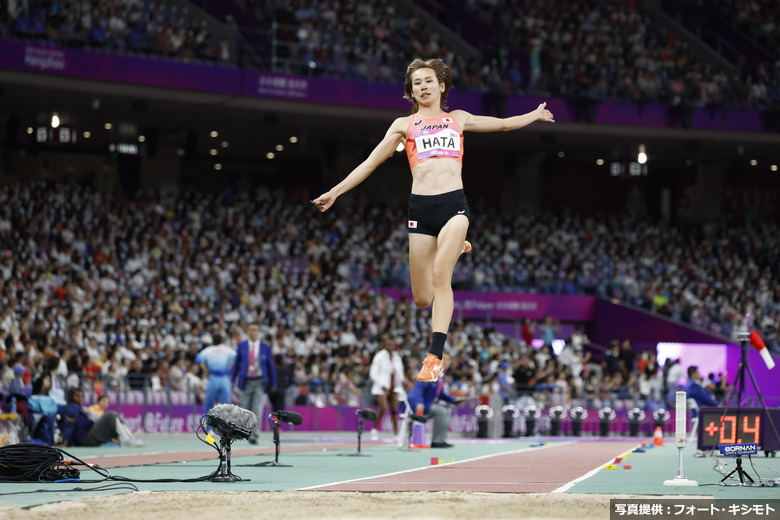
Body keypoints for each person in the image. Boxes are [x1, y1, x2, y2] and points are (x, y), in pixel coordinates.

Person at [312, 57, 555, 383]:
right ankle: (454, 246)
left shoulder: (458, 119)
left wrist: (534, 115)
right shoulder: (404, 125)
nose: (423, 87)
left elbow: (504, 123)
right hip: (421, 211)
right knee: (423, 297)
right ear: (411, 92)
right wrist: (336, 191)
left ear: (441, 85)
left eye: (428, 81)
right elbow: (370, 164)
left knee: (443, 275)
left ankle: (434, 356)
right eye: (417, 83)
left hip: (454, 205)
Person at [229, 323, 277, 444]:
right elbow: (236, 364)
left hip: (260, 381)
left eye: (255, 330)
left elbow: (271, 366)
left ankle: (255, 435)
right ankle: (245, 433)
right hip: (245, 381)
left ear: (259, 331)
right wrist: (232, 379)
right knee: (245, 409)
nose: (253, 332)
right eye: (250, 330)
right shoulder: (242, 346)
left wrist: (273, 382)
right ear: (248, 332)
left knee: (257, 408)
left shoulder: (265, 347)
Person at [406, 352, 460, 448]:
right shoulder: (430, 372)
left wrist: (454, 400)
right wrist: (419, 402)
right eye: (444, 359)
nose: (446, 362)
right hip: (417, 404)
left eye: (448, 360)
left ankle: (441, 439)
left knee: (447, 410)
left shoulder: (441, 376)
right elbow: (418, 388)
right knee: (441, 411)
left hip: (428, 404)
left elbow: (441, 394)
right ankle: (436, 441)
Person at [58, 388, 142, 447]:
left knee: (114, 416)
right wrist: (65, 442)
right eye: (77, 396)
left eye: (82, 396)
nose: (81, 399)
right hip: (85, 438)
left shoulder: (81, 408)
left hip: (90, 433)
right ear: (71, 397)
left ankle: (131, 438)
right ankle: (125, 440)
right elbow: (70, 426)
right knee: (110, 415)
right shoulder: (71, 408)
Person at [368, 334, 405, 439]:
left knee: (394, 409)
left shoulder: (397, 357)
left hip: (394, 386)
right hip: (382, 387)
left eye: (391, 344)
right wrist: (382, 385)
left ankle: (396, 434)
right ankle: (374, 429)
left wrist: (402, 380)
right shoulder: (379, 357)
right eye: (388, 344)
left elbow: (400, 371)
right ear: (384, 345)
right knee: (383, 408)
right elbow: (373, 374)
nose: (390, 346)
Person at [195, 333, 237, 414]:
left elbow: (198, 358)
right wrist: (231, 368)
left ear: (213, 341)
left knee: (209, 404)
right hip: (224, 378)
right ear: (221, 341)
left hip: (213, 377)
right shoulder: (227, 349)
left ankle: (207, 426)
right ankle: (224, 426)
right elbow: (237, 358)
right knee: (226, 406)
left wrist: (205, 369)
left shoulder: (209, 349)